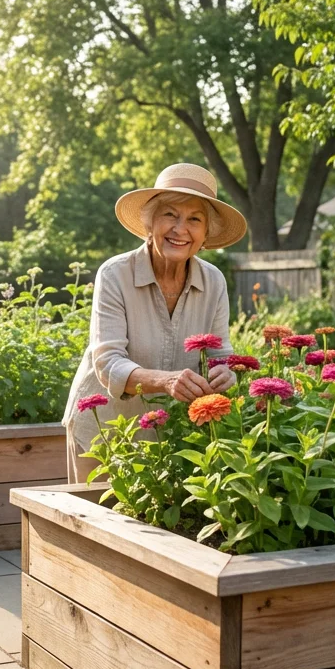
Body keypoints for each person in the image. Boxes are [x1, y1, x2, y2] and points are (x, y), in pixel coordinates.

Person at [62, 163, 249, 482]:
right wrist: (165, 380)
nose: (180, 229)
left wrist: (225, 372)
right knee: (94, 526)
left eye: (194, 219)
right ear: (149, 223)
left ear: (205, 235)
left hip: (170, 437)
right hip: (104, 432)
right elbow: (107, 362)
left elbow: (221, 354)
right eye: (170, 215)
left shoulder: (214, 281)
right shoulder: (115, 274)